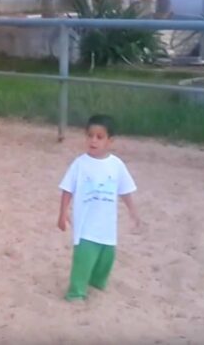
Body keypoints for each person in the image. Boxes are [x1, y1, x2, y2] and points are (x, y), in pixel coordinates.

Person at [57, 114, 141, 302]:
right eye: (90, 135)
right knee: (83, 260)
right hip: (86, 226)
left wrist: (133, 211)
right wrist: (62, 214)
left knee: (106, 258)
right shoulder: (80, 164)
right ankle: (76, 292)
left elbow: (125, 190)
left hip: (107, 226)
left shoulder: (116, 165)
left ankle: (95, 283)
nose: (93, 140)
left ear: (110, 140)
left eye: (99, 137)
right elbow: (67, 190)